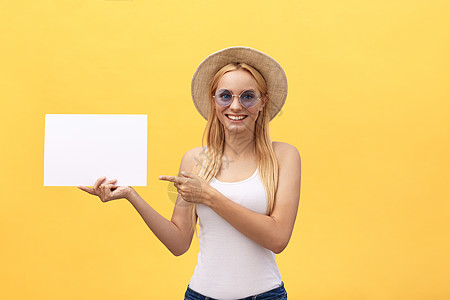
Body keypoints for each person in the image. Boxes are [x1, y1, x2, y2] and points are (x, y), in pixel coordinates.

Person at [78, 46, 301, 300]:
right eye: (225, 96)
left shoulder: (284, 156)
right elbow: (179, 243)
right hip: (200, 295)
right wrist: (131, 195)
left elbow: (278, 238)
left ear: (263, 102)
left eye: (248, 96)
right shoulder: (195, 159)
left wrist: (209, 196)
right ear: (213, 101)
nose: (236, 106)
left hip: (265, 295)